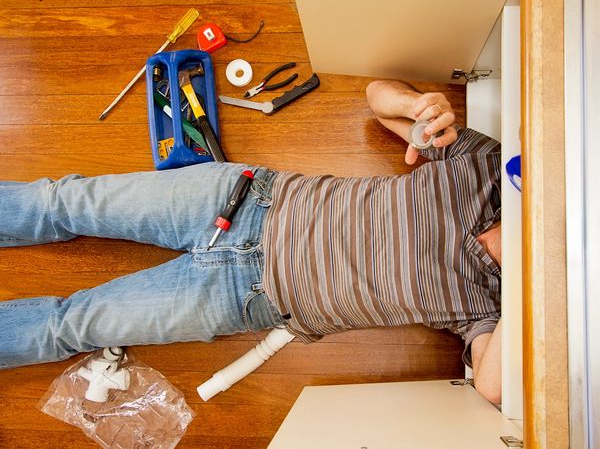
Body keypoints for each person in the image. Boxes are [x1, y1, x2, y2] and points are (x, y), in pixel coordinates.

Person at [0, 80, 502, 404]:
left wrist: (532, 289)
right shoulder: (489, 168)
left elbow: (493, 384)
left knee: (72, 326)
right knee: (62, 203)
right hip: (242, 199)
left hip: (243, 296)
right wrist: (417, 106)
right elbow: (377, 97)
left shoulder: (498, 309)